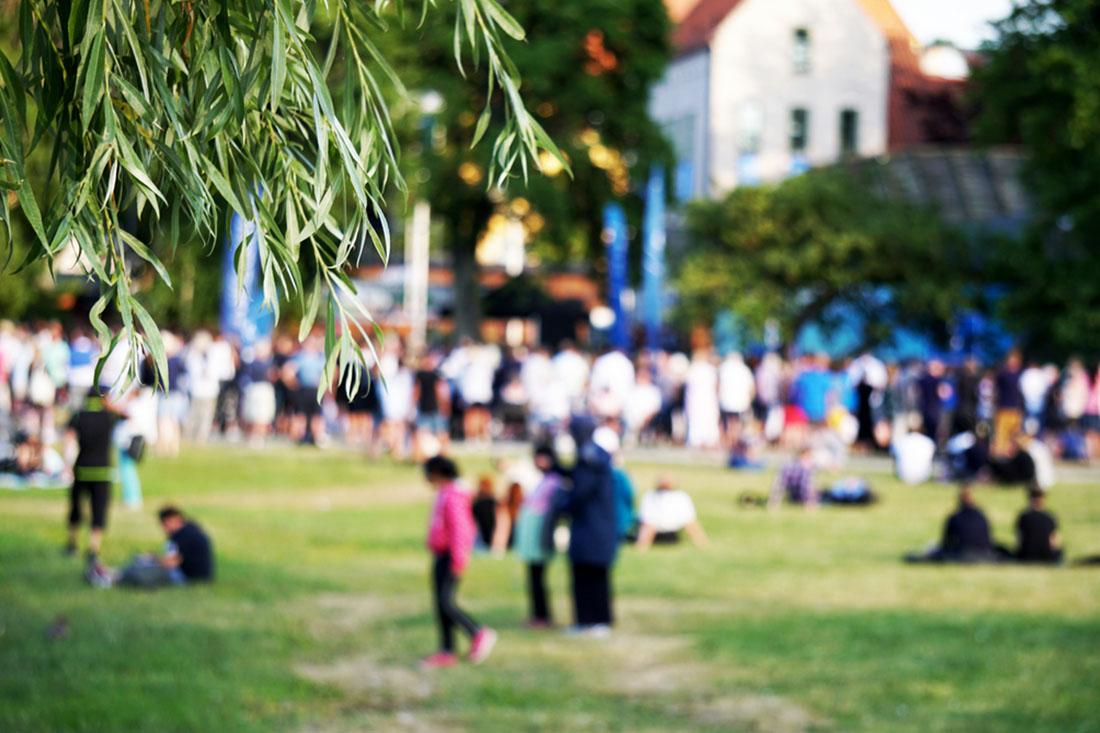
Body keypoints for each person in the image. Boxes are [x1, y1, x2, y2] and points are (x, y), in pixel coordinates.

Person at [422, 456, 496, 668]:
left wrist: (458, 557)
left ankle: (477, 632)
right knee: (439, 603)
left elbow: (460, 529)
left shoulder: (454, 494)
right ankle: (447, 649)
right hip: (441, 554)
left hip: (450, 555)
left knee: (446, 602)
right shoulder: (445, 492)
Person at [555, 422, 620, 635]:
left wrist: (562, 506)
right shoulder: (596, 458)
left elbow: (580, 493)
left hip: (590, 529)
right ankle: (592, 620)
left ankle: (593, 620)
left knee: (589, 576)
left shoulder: (589, 459)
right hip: (596, 529)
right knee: (591, 575)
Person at [64, 387, 126, 587]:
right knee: (98, 512)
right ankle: (93, 548)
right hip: (102, 471)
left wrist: (67, 463)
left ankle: (72, 543)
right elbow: (127, 415)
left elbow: (69, 438)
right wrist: (110, 406)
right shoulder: (109, 416)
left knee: (76, 507)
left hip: (81, 468)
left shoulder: (79, 414)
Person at [513, 445, 567, 628]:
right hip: (532, 536)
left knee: (538, 578)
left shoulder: (554, 481)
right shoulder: (543, 480)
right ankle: (538, 614)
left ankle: (542, 616)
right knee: (533, 577)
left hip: (539, 535)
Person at [908, 485, 997, 563]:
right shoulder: (981, 515)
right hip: (986, 554)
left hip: (962, 554)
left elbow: (946, 543)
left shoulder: (955, 517)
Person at [636, 477, 709, 550]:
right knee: (648, 526)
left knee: (691, 525)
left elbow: (688, 517)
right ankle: (641, 548)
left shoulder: (681, 496)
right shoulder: (650, 496)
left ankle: (704, 546)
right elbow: (645, 516)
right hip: (653, 524)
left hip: (674, 525)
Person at [1016, 489, 1063, 563]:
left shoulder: (1023, 516)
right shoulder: (1050, 517)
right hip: (1048, 557)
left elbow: (1020, 539)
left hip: (1027, 556)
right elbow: (1054, 541)